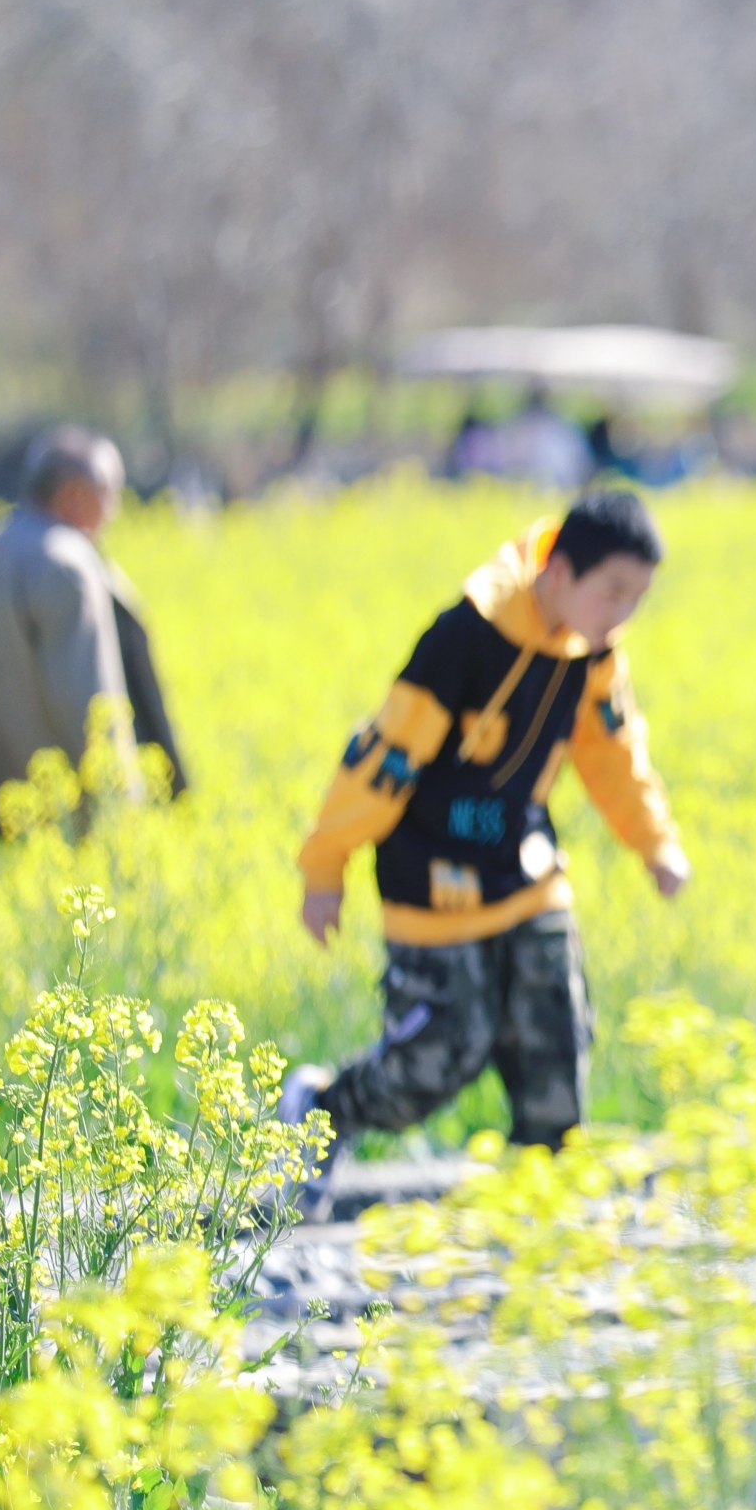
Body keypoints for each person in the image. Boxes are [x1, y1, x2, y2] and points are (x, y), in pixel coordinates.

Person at [282, 491, 690, 1184]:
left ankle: (543, 1208)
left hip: (526, 869)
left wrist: (655, 842)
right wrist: (326, 867)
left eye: (637, 598)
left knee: (556, 1045)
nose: (622, 614)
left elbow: (614, 756)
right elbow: (383, 758)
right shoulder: (465, 636)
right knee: (437, 1061)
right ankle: (322, 1108)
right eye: (612, 592)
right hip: (430, 877)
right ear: (558, 571)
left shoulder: (594, 653)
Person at [0, 425, 189, 831]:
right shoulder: (68, 564)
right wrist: (124, 803)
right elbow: (90, 699)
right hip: (74, 818)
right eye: (111, 494)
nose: (115, 509)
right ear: (75, 495)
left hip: (14, 806)